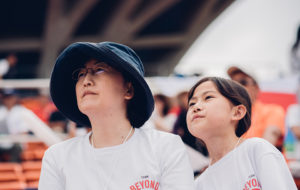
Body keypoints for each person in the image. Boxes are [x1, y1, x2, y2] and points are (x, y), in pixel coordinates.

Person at [38, 41, 194, 190]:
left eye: (99, 69)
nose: (86, 80)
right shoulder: (57, 157)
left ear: (128, 90)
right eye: (80, 74)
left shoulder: (165, 147)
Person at [186, 76, 296, 189]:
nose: (196, 107)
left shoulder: (257, 149)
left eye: (208, 97)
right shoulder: (199, 184)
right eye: (191, 104)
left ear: (237, 112)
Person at [227, 66, 285, 150]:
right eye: (233, 83)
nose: (237, 87)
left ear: (256, 88)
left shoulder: (273, 110)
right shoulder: (230, 115)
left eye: (242, 82)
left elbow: (267, 144)